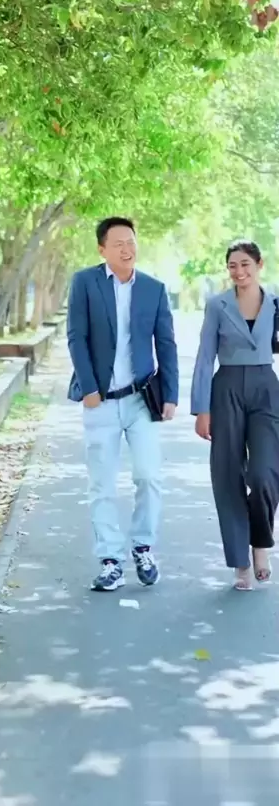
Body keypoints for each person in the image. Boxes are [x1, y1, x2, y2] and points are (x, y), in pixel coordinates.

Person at [67, 216, 179, 591]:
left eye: (131, 241)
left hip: (141, 400)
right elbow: (76, 337)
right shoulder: (85, 283)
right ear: (102, 249)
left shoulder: (153, 289)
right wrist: (88, 388)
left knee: (149, 476)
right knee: (102, 484)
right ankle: (110, 560)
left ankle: (143, 547)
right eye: (118, 243)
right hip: (100, 401)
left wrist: (171, 395)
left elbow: (166, 344)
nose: (126, 249)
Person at [191, 239, 279, 591]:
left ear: (259, 265)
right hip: (225, 387)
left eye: (245, 264)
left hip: (266, 388)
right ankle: (240, 562)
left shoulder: (275, 302)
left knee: (265, 473)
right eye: (232, 266)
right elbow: (204, 357)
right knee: (227, 474)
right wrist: (201, 408)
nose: (239, 272)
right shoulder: (218, 305)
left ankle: (261, 543)